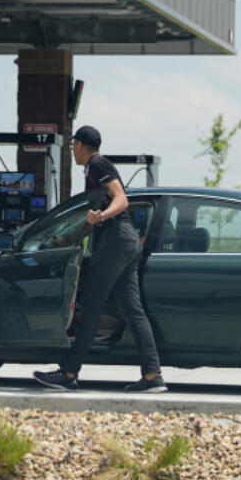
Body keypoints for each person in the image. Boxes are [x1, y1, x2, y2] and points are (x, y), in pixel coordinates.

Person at [33, 125, 166, 393]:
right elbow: (96, 212)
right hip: (125, 240)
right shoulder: (94, 168)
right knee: (131, 309)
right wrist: (69, 238)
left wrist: (103, 217)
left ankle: (69, 372)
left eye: (73, 146)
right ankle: (153, 375)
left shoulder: (97, 164)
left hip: (116, 240)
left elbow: (121, 199)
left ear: (80, 145)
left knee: (91, 304)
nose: (72, 151)